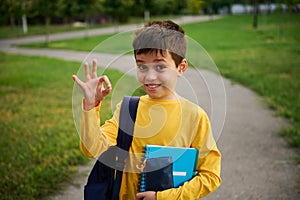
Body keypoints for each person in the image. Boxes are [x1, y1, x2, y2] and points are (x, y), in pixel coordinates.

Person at [72, 20, 221, 200]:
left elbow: (211, 176)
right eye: (142, 66)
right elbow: (92, 149)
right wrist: (90, 106)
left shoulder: (195, 117)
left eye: (160, 66)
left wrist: (161, 197)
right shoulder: (128, 109)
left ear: (180, 67)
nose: (149, 76)